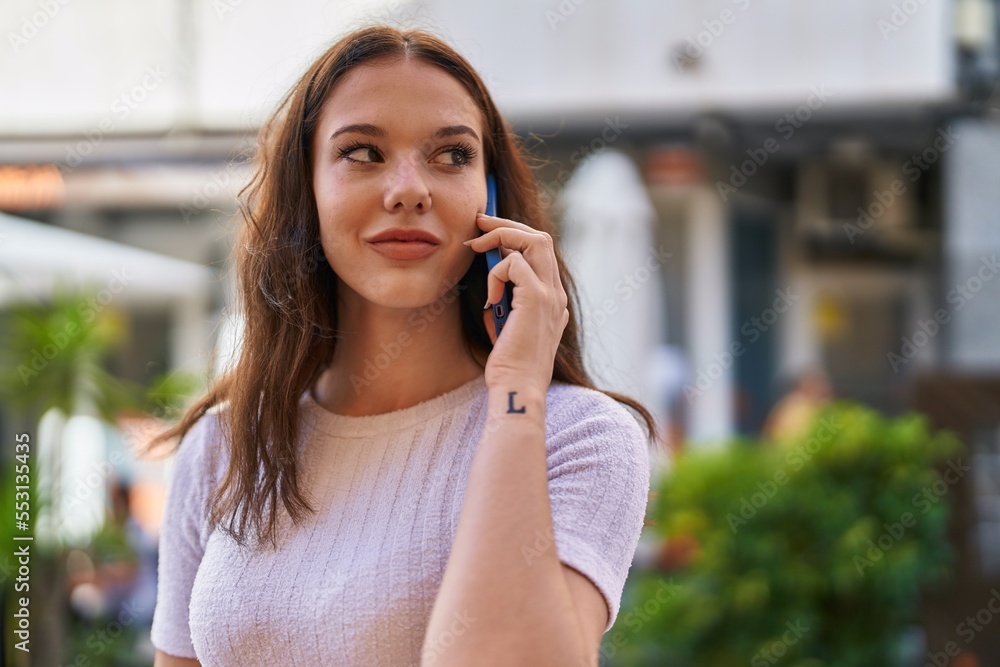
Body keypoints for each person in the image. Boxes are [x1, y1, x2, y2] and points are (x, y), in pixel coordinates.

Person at [146, 24, 658, 667]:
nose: (410, 189)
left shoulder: (578, 437)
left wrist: (517, 395)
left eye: (451, 156)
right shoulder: (226, 446)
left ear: (490, 196)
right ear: (307, 190)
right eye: (363, 152)